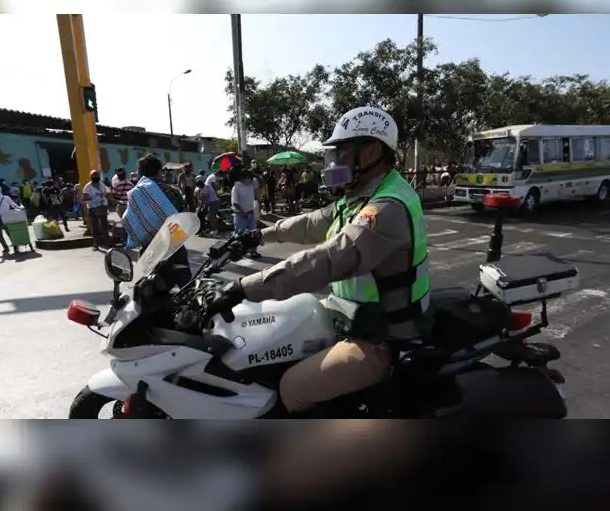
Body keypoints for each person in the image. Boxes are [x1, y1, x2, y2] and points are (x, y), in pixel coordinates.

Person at [203, 106, 431, 416]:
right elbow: (314, 221)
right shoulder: (361, 194)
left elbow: (329, 259)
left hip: (381, 337)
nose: (334, 163)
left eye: (343, 152)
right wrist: (259, 236)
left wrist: (243, 287)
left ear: (372, 152)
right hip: (349, 316)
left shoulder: (387, 205)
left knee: (291, 387)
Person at [121, 154, 192, 287]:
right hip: (174, 247)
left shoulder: (135, 193)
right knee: (187, 288)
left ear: (140, 173)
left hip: (149, 248)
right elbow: (183, 216)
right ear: (160, 172)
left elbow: (129, 219)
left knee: (145, 288)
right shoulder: (172, 191)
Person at [231, 167, 261, 258]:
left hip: (251, 213)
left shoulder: (251, 186)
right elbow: (235, 203)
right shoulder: (236, 187)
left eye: (250, 177)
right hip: (241, 215)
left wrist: (254, 174)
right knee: (239, 234)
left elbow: (261, 182)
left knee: (254, 233)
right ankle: (238, 252)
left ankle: (253, 251)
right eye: (247, 177)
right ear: (242, 178)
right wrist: (243, 212)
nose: (249, 179)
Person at [81, 169, 111, 251]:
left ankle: (107, 242)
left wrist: (106, 196)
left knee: (105, 225)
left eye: (97, 176)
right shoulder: (87, 187)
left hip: (102, 206)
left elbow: (108, 193)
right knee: (94, 227)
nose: (96, 177)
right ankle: (95, 244)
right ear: (91, 177)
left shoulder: (102, 184)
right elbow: (84, 198)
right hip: (92, 208)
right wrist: (93, 198)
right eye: (94, 176)